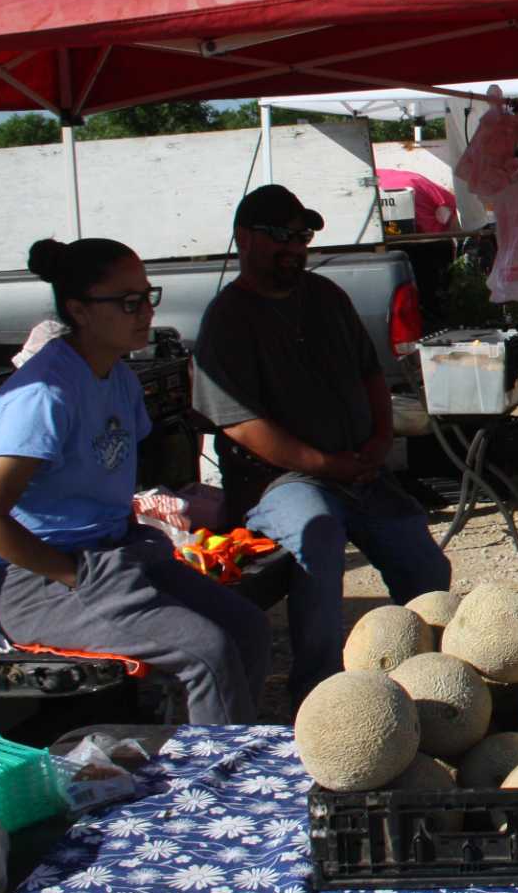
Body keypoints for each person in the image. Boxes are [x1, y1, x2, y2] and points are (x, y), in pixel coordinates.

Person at [0, 238, 271, 724]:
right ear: (79, 310)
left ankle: (218, 747)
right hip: (36, 579)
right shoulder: (44, 395)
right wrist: (72, 574)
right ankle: (211, 786)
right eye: (129, 302)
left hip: (113, 551)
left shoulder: (120, 379)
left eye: (149, 296)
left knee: (246, 627)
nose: (145, 312)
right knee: (205, 652)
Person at [193, 184, 450, 706]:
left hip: (358, 468)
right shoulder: (227, 318)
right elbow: (241, 425)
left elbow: (371, 377)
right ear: (243, 238)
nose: (294, 245)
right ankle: (321, 694)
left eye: (302, 235)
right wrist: (324, 464)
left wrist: (379, 442)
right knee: (319, 538)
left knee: (423, 562)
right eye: (279, 235)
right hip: (280, 480)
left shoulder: (327, 296)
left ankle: (433, 680)